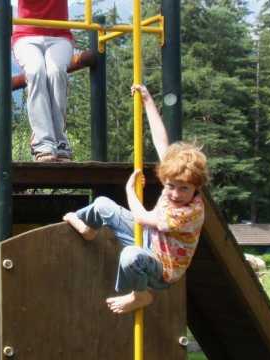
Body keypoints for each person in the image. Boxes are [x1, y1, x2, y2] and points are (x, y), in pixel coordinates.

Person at [62, 85, 207, 314]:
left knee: (131, 256)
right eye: (171, 186)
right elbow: (162, 142)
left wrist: (129, 190)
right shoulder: (174, 178)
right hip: (149, 240)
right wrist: (147, 102)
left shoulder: (188, 213)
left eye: (184, 189)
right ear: (164, 178)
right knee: (102, 205)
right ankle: (89, 228)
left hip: (161, 270)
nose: (176, 194)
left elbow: (143, 218)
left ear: (196, 188)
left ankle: (140, 295)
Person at [12, 0, 74, 162]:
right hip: (27, 35)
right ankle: (42, 142)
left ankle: (60, 141)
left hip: (59, 36)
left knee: (56, 71)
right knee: (35, 71)